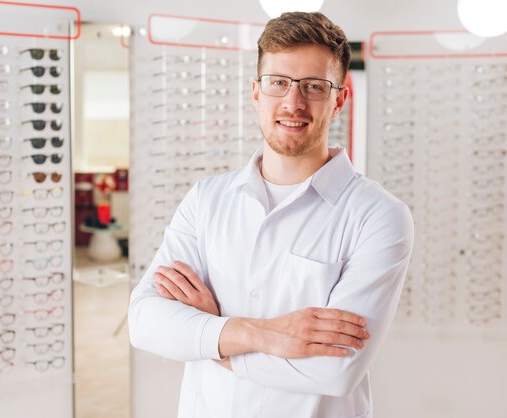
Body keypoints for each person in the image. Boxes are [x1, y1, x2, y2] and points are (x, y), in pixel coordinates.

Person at [129, 11, 414, 418]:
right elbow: (145, 320)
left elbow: (334, 371)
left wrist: (209, 332)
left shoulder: (379, 216)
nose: (292, 102)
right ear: (256, 92)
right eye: (278, 82)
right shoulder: (206, 199)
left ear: (339, 99)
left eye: (313, 86)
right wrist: (260, 333)